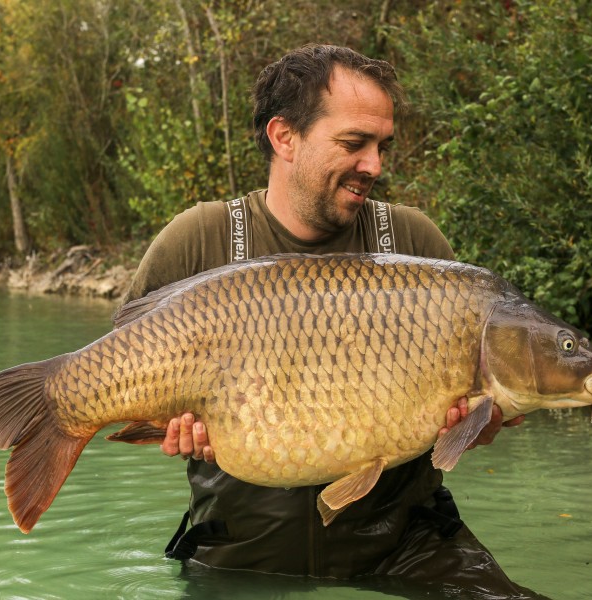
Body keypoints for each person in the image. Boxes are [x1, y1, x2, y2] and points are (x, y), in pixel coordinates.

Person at [119, 44, 541, 596]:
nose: (375, 165)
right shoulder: (198, 240)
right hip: (241, 548)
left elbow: (467, 420)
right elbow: (124, 365)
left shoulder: (415, 244)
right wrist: (168, 425)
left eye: (381, 146)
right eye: (353, 143)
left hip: (403, 544)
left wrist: (474, 426)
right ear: (284, 137)